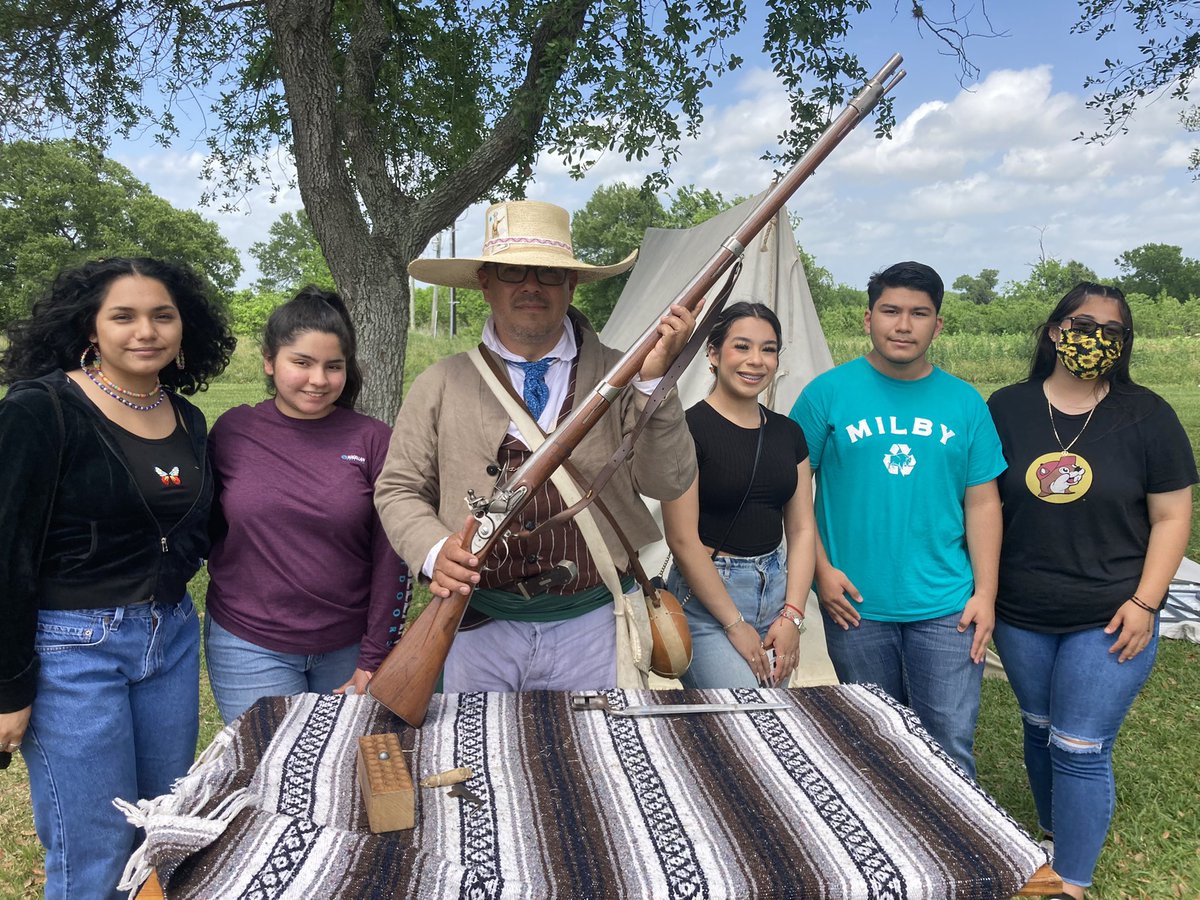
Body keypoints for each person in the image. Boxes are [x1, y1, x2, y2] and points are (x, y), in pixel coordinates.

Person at [374, 200, 697, 691]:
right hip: (477, 624)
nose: (530, 285)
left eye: (548, 274)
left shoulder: (626, 371)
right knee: (477, 760)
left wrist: (654, 383)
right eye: (512, 270)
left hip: (594, 622)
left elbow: (668, 481)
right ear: (486, 281)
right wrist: (435, 550)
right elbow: (397, 489)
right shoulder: (440, 382)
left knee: (593, 764)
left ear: (571, 285)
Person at [0, 257, 235, 899]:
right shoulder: (42, 408)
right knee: (95, 849)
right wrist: (8, 688)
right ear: (91, 327)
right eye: (123, 316)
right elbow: (7, 551)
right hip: (72, 650)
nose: (146, 331)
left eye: (163, 315)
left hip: (171, 640)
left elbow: (198, 532)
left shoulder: (188, 419)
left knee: (162, 832)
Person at [987, 282, 1196, 900]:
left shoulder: (1147, 415)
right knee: (1039, 724)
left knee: (1079, 745)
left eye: (1114, 331)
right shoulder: (1006, 408)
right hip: (1021, 612)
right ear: (1055, 330)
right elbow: (982, 504)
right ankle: (1057, 832)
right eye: (1084, 324)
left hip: (1110, 614)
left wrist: (1146, 603)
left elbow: (1172, 518)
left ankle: (1070, 881)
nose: (1097, 338)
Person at [788, 260, 1004, 779]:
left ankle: (957, 851)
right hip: (856, 603)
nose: (903, 325)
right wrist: (821, 570)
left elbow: (983, 503)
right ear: (868, 320)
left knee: (948, 740)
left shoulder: (964, 402)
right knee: (873, 741)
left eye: (918, 313)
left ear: (938, 324)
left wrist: (986, 595)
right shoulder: (826, 395)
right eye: (890, 311)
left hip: (947, 602)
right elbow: (795, 496)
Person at [204, 286, 412, 724]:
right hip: (248, 645)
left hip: (348, 647)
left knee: (344, 774)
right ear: (269, 361)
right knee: (268, 773)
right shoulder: (233, 432)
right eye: (302, 362)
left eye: (333, 366)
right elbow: (199, 523)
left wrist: (375, 655)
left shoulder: (373, 440)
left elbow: (392, 557)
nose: (318, 380)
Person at [661, 302, 816, 688]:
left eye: (768, 349)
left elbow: (801, 530)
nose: (756, 361)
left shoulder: (788, 433)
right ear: (713, 354)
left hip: (777, 594)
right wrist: (733, 623)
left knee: (772, 719)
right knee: (743, 712)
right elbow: (681, 539)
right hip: (708, 598)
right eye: (742, 347)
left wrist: (793, 616)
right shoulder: (686, 430)